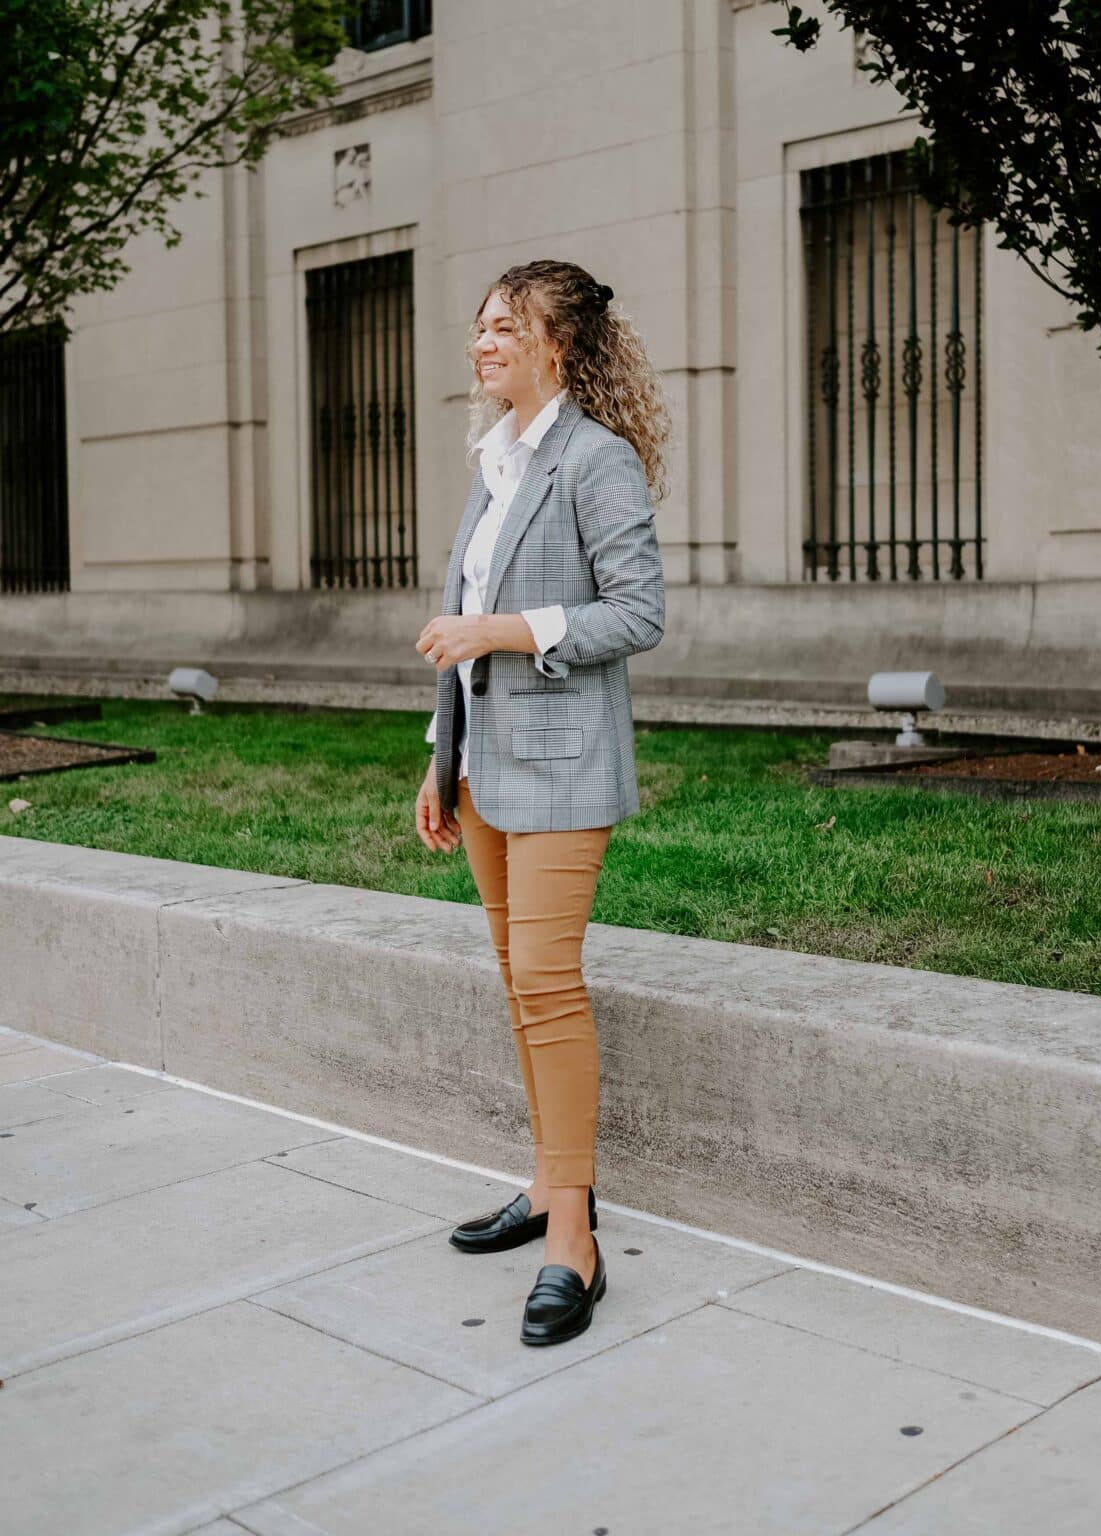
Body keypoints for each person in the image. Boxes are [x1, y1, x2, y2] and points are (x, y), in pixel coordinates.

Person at [413, 259, 670, 1346]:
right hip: (481, 772)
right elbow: (454, 613)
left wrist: (506, 633)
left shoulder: (592, 461)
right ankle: (549, 1183)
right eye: (478, 328)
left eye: (503, 330)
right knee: (522, 993)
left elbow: (636, 614)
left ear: (555, 347)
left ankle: (574, 1237)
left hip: (564, 769)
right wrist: (438, 758)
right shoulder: (495, 461)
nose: (481, 345)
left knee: (546, 985)